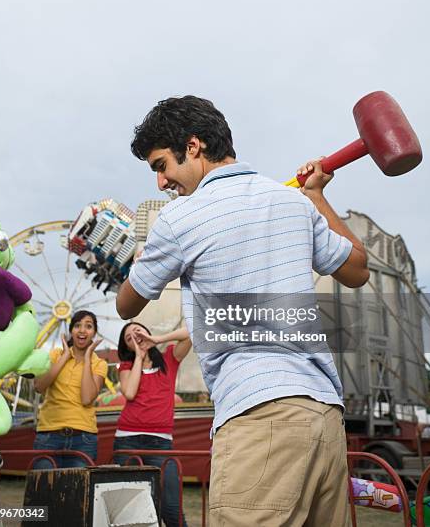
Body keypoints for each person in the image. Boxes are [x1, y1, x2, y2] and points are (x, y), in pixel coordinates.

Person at [116, 95, 370, 527]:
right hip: (324, 416)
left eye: (161, 165)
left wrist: (143, 257)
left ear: (192, 147)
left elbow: (127, 304)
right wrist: (316, 197)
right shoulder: (292, 203)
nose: (161, 182)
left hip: (258, 416)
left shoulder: (180, 219)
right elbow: (358, 269)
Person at [113, 322, 191, 527]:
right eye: (129, 338)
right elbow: (129, 392)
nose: (135, 337)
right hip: (127, 441)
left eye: (138, 332)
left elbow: (191, 330)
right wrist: (139, 357)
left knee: (171, 507)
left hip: (161, 443)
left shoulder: (169, 358)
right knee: (129, 508)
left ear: (147, 333)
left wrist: (158, 340)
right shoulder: (127, 366)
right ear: (126, 347)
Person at [33, 310, 107, 468]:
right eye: (77, 325)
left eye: (88, 326)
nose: (82, 330)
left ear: (94, 333)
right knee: (45, 489)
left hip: (83, 437)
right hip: (49, 434)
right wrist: (65, 357)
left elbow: (87, 398)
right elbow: (39, 386)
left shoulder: (99, 364)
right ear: (71, 331)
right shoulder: (55, 355)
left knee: (78, 491)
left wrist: (87, 358)